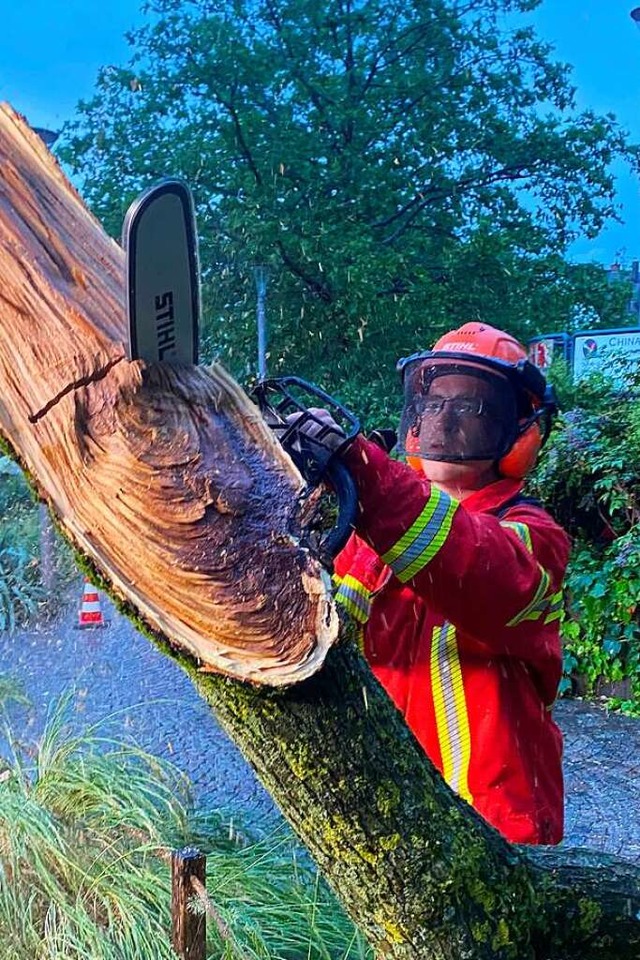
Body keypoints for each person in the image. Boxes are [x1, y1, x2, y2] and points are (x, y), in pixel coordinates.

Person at [307, 322, 570, 845]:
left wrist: (360, 468)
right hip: (394, 815)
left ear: (520, 432)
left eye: (470, 407)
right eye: (433, 402)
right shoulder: (373, 529)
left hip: (496, 821)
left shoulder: (534, 538)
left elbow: (468, 557)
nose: (442, 419)